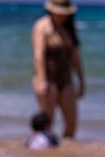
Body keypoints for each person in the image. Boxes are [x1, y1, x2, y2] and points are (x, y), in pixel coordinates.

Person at [32, 0, 85, 139]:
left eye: (65, 14)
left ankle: (65, 155)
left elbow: (76, 58)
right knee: (47, 124)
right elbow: (39, 55)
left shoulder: (69, 28)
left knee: (71, 125)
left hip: (66, 79)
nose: (63, 17)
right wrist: (42, 80)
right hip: (48, 79)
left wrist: (81, 81)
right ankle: (45, 154)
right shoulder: (42, 26)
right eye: (60, 14)